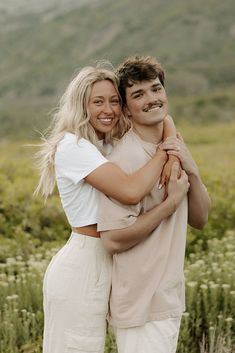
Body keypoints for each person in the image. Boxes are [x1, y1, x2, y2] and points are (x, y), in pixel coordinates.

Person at [35, 64, 184, 353]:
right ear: (81, 106)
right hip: (83, 265)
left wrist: (170, 141)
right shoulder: (73, 146)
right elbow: (129, 192)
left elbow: (164, 118)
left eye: (114, 101)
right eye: (98, 101)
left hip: (111, 266)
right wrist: (166, 152)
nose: (108, 109)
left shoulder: (104, 143)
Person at [97, 56, 211, 353]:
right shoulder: (124, 160)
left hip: (167, 298)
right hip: (140, 305)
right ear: (125, 108)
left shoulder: (174, 147)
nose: (151, 99)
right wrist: (170, 204)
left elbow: (200, 219)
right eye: (138, 94)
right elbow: (111, 241)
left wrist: (193, 170)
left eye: (156, 89)